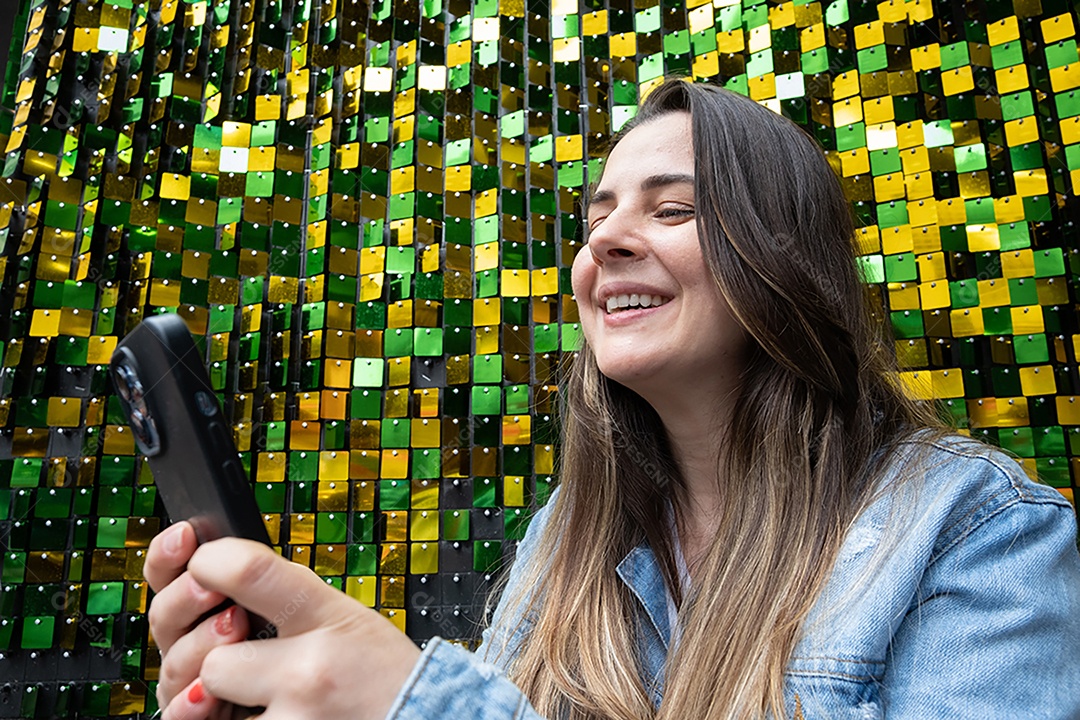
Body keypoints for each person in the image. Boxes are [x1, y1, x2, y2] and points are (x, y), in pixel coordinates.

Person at [144, 78, 1080, 720]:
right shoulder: (568, 532)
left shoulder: (977, 531)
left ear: (784, 260)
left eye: (672, 211)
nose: (607, 244)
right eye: (597, 221)